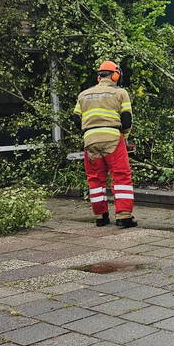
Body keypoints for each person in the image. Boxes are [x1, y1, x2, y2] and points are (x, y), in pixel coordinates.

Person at [74, 61, 137, 228]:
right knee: (121, 176)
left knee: (95, 179)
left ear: (99, 76)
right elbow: (126, 119)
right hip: (113, 138)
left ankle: (101, 216)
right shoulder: (120, 93)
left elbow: (75, 119)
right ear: (115, 75)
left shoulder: (83, 95)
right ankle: (124, 216)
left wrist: (89, 133)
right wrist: (124, 135)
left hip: (90, 140)